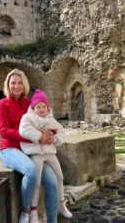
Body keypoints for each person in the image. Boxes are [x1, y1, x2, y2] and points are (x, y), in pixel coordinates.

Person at [0, 69, 59, 223]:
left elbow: (46, 120)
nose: (16, 86)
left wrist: (51, 133)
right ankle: (26, 211)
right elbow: (4, 131)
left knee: (53, 184)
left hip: (32, 149)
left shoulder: (31, 104)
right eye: (13, 83)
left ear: (25, 84)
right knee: (31, 170)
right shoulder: (1, 104)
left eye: (20, 82)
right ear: (7, 85)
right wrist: (36, 138)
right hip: (10, 148)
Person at [19, 89, 73, 223]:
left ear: (48, 107)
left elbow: (61, 132)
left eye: (44, 106)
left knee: (60, 177)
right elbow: (24, 130)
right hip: (36, 153)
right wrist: (40, 136)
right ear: (33, 107)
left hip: (49, 152)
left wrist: (53, 139)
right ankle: (34, 211)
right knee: (36, 183)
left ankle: (61, 203)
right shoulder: (28, 117)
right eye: (38, 106)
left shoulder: (51, 119)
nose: (42, 109)